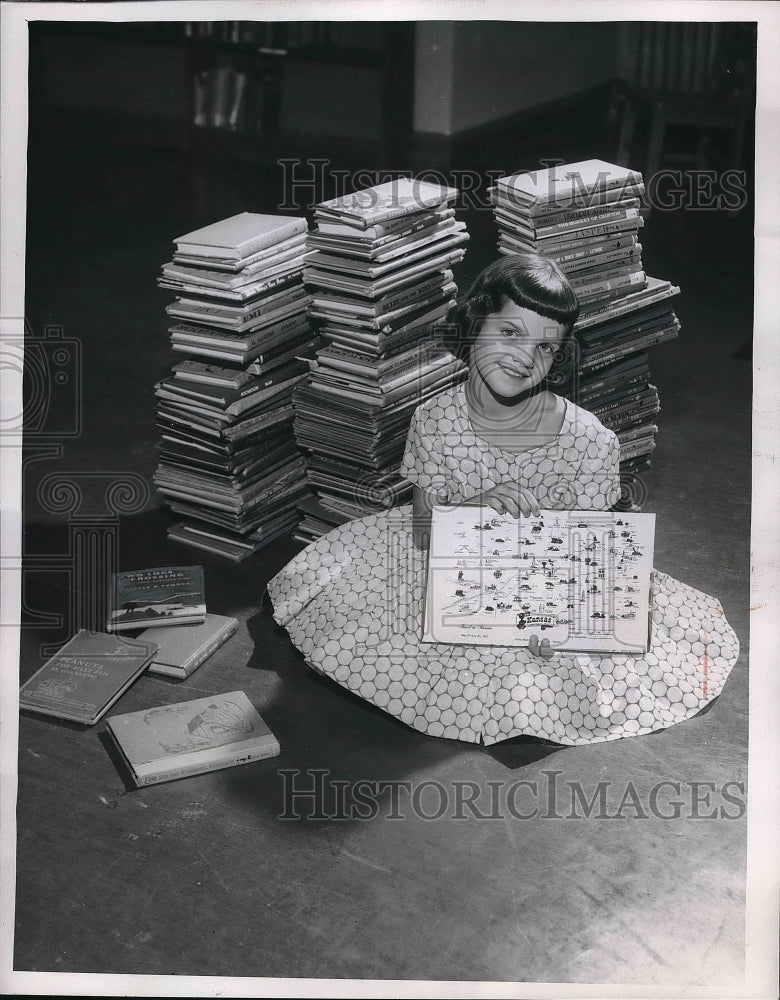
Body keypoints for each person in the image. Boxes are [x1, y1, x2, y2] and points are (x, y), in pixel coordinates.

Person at [267, 254, 739, 746]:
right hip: (450, 565)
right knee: (387, 619)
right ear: (474, 324)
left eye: (545, 348)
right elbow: (424, 532)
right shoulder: (434, 419)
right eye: (510, 333)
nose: (524, 357)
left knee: (549, 666)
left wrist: (560, 622)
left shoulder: (591, 441)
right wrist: (473, 506)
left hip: (549, 583)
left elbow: (590, 560)